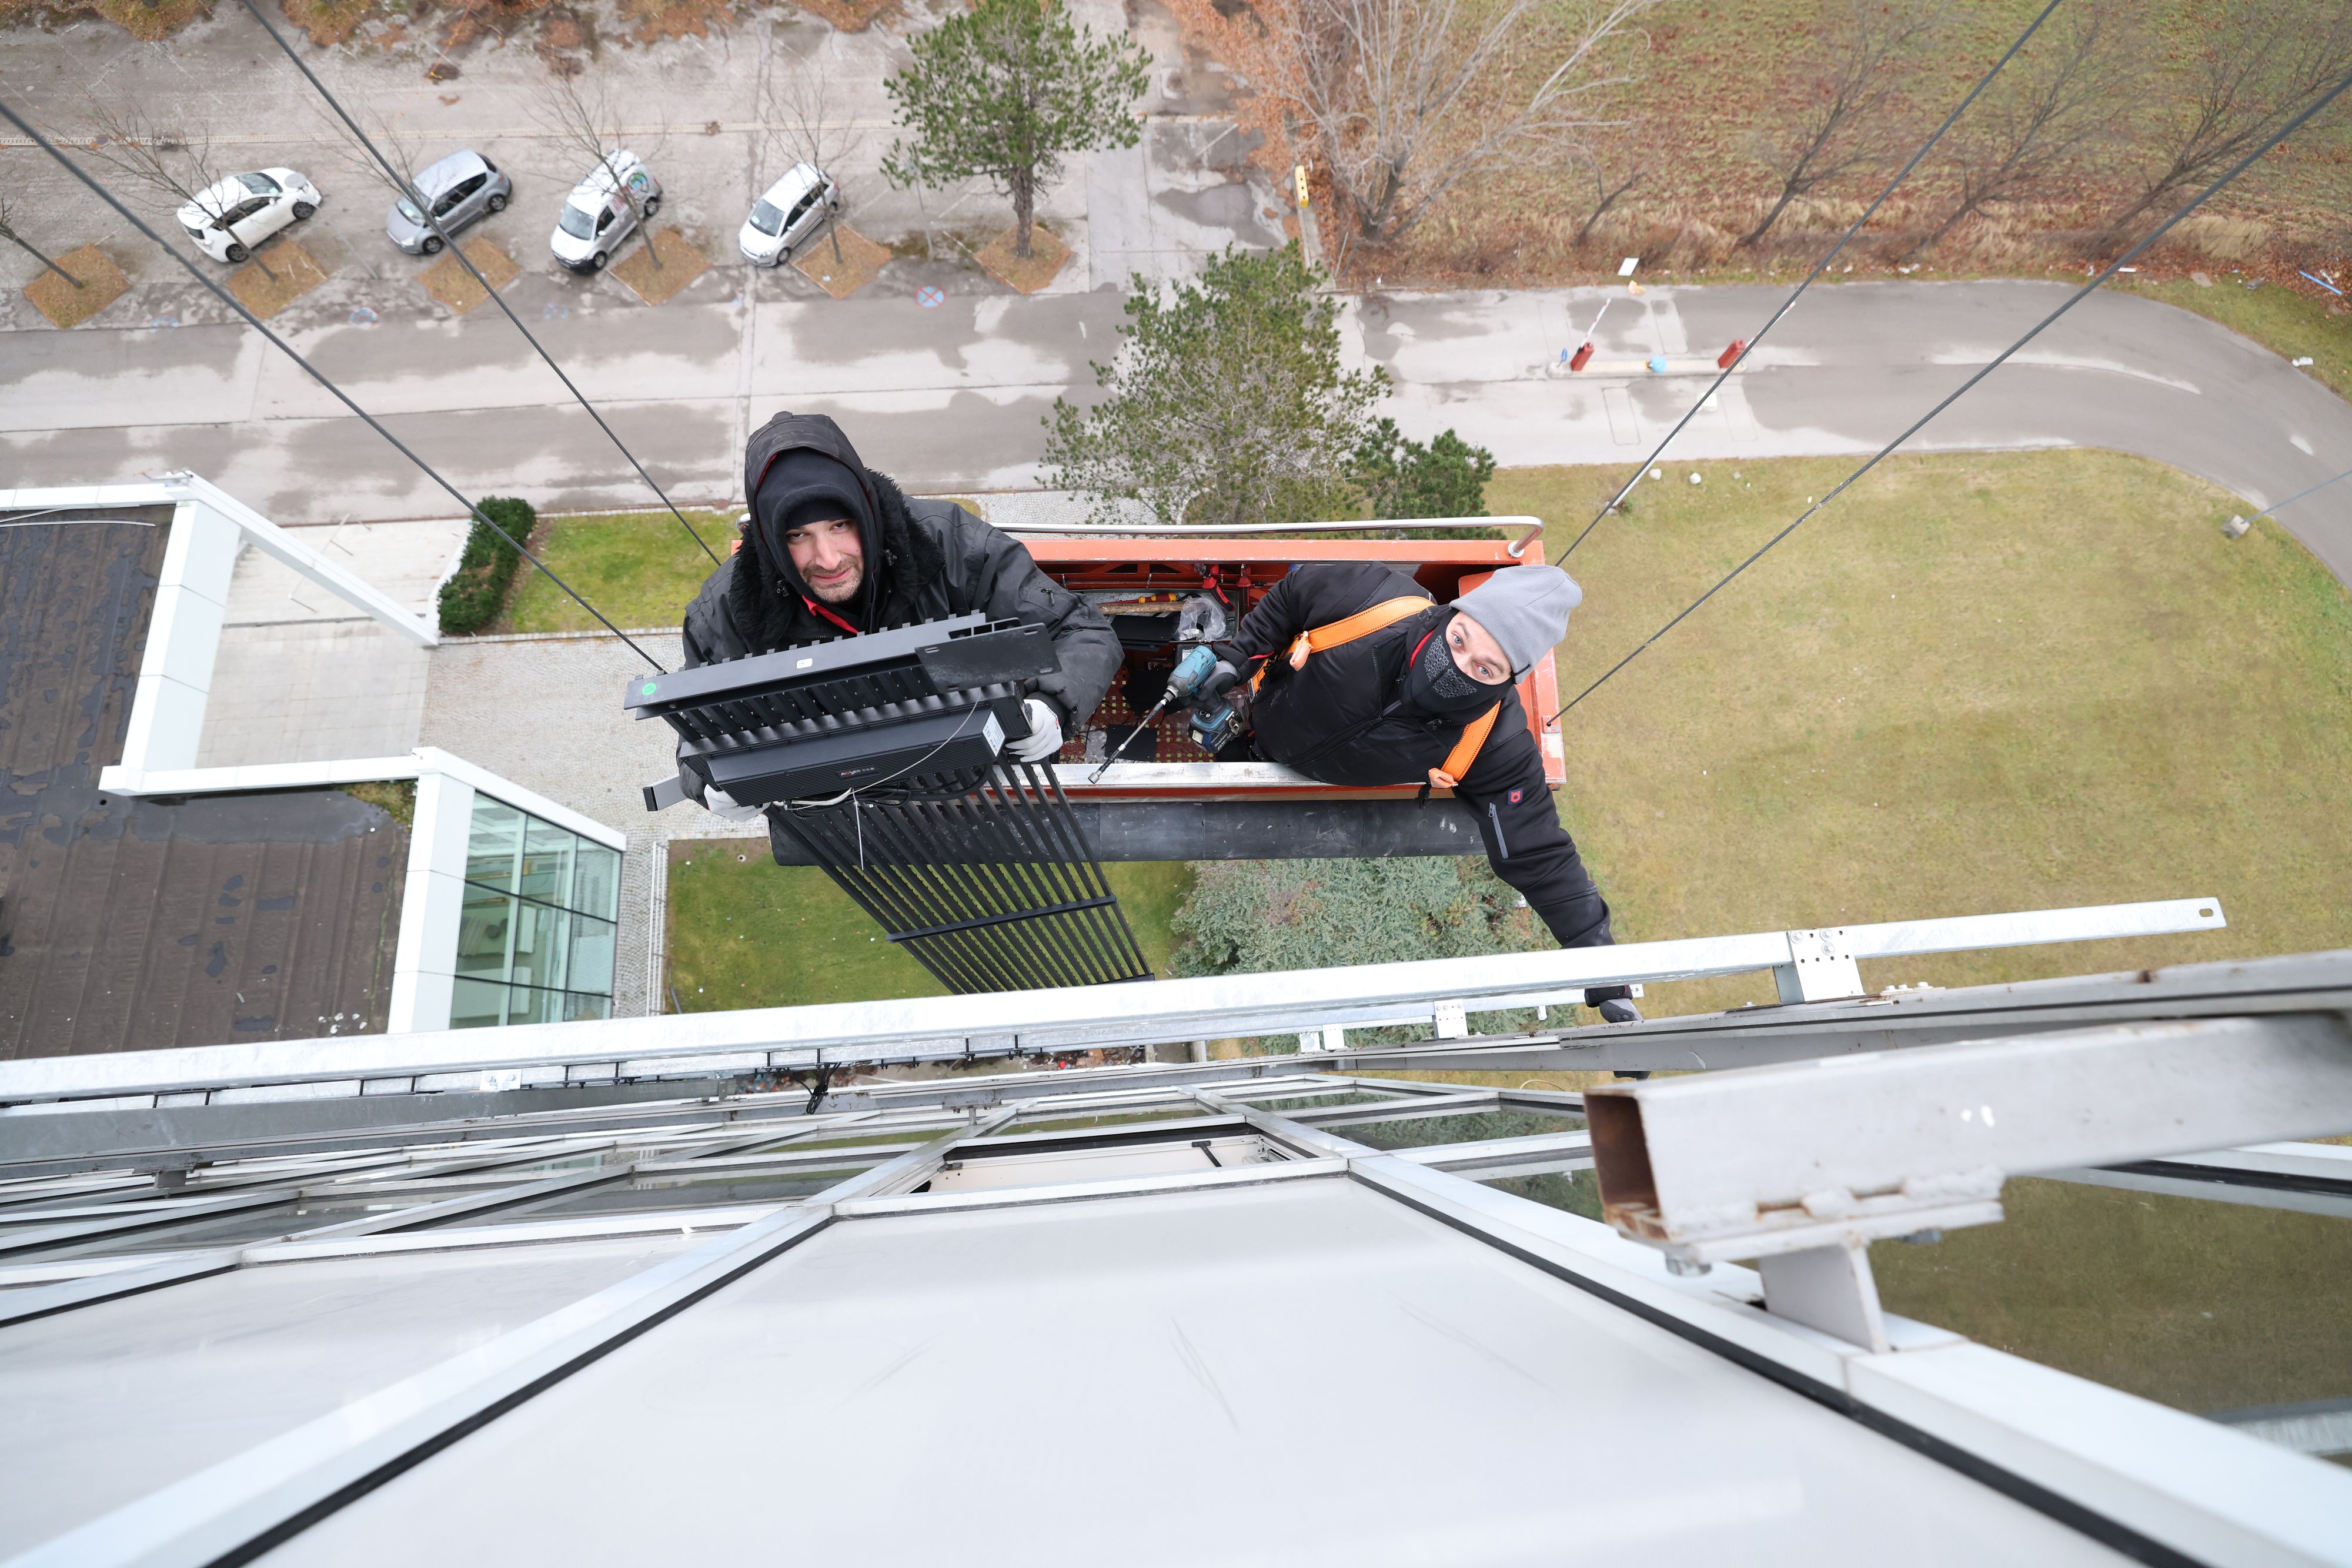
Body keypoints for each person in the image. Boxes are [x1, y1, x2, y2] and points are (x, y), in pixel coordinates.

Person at [1171, 560, 1640, 1022]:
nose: (1456, 665)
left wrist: (1605, 974)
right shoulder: (1371, 598)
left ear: (1509, 681)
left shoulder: (1493, 742)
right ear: (1453, 613)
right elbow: (1295, 594)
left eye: (1485, 668)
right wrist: (1239, 656)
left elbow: (1538, 853)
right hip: (1269, 709)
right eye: (1459, 639)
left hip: (1317, 773)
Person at [678, 411, 1120, 815]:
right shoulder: (727, 610)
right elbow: (698, 730)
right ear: (772, 542)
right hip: (843, 812)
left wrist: (1053, 703)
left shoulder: (952, 548)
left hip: (977, 783)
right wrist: (708, 783)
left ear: (865, 511)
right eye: (798, 536)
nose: (828, 558)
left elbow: (1082, 630)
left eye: (839, 526)